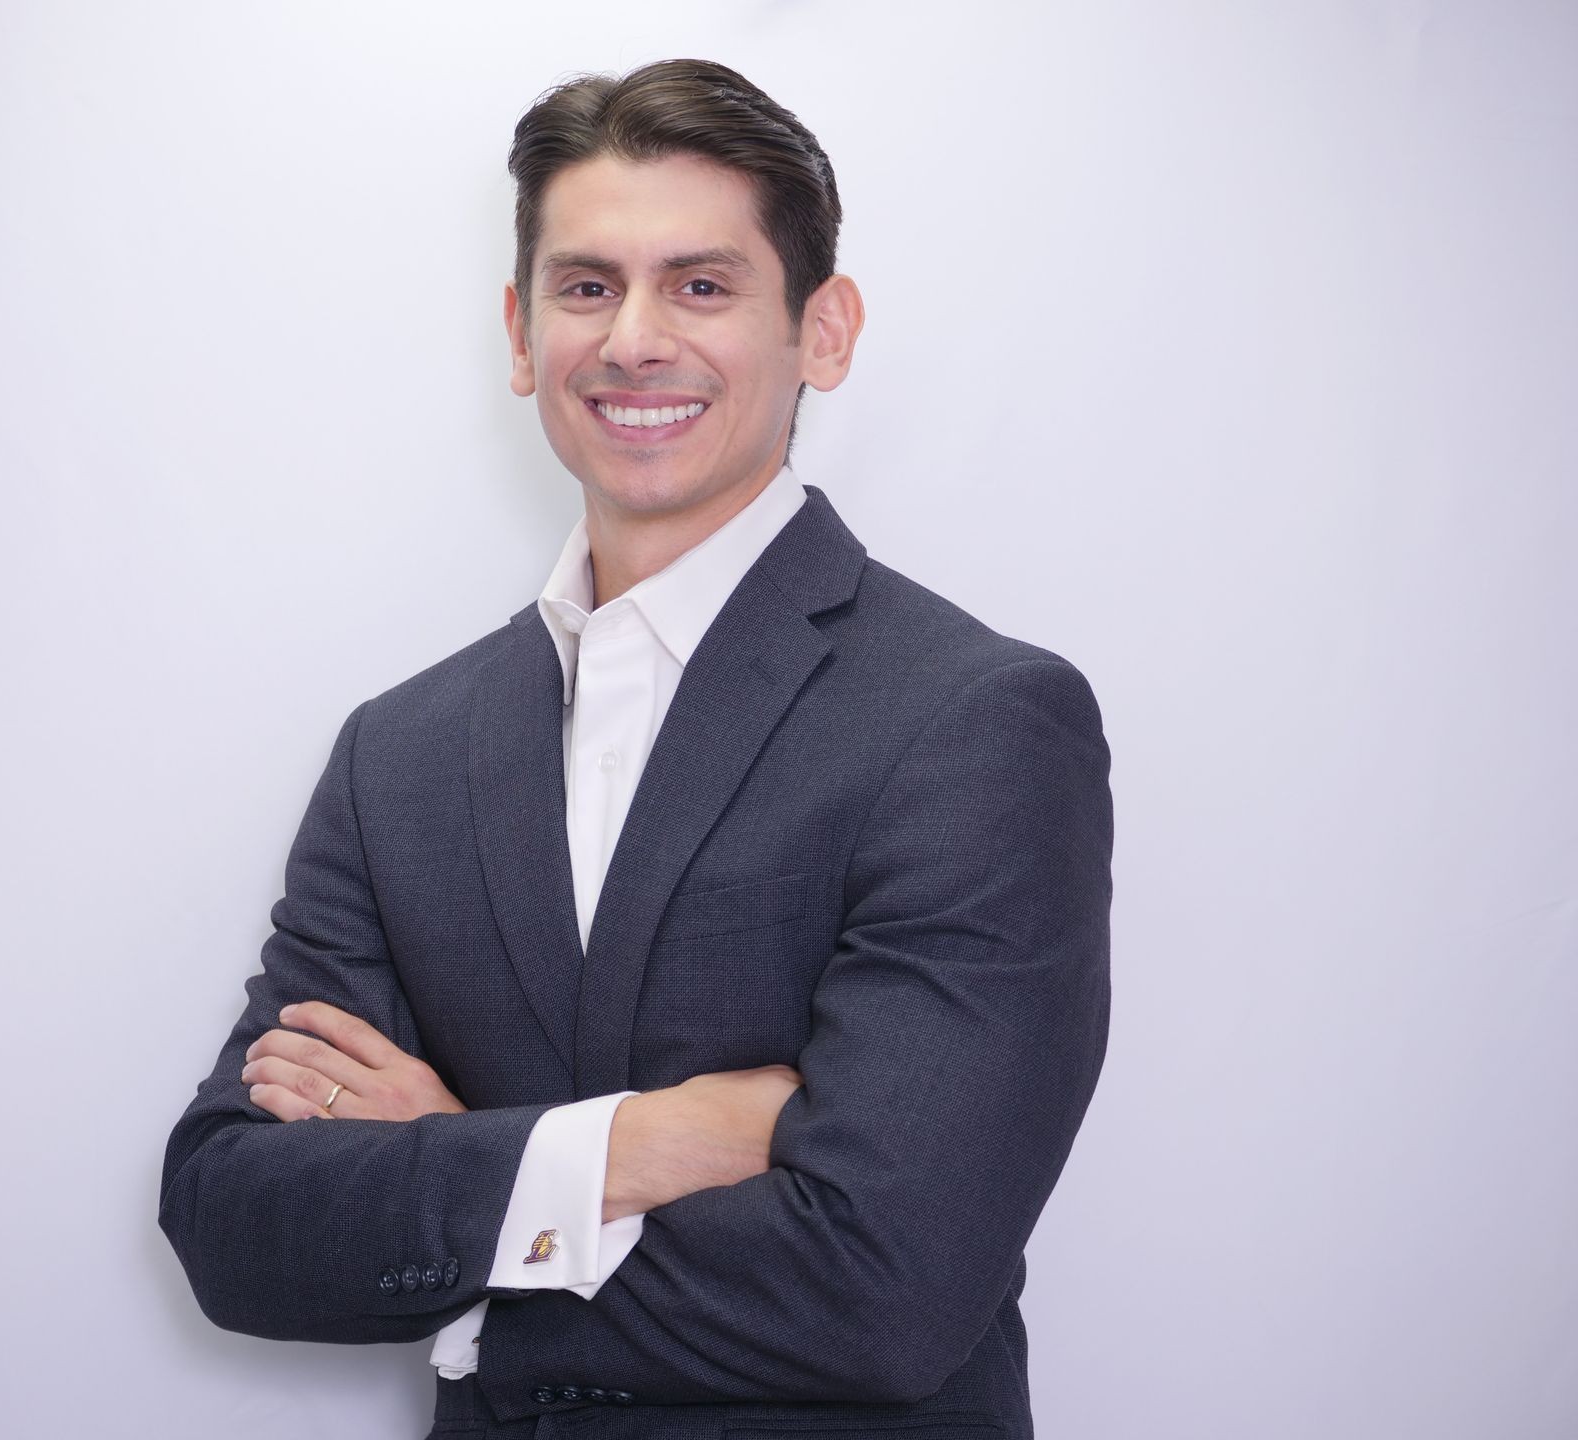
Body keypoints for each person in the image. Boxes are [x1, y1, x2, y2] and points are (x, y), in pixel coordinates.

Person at [159, 57, 1112, 1440]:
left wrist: (462, 1196)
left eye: (704, 285)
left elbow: (889, 1284)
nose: (634, 340)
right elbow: (234, 1219)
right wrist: (638, 1148)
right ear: (519, 328)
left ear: (824, 330)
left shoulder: (970, 721)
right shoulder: (402, 753)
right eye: (588, 286)